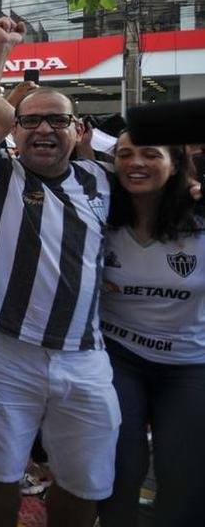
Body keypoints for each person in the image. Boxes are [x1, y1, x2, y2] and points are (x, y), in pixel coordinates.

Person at [0, 16, 119, 527]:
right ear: (16, 131)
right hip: (5, 350)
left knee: (85, 477)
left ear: (78, 130)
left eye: (57, 120)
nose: (45, 129)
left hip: (85, 357)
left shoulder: (103, 180)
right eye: (31, 121)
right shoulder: (0, 173)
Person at [95, 132, 204, 526]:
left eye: (149, 154)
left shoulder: (199, 218)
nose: (135, 162)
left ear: (175, 163)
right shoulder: (100, 214)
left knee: (184, 474)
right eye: (125, 154)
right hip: (118, 357)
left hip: (189, 364)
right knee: (120, 468)